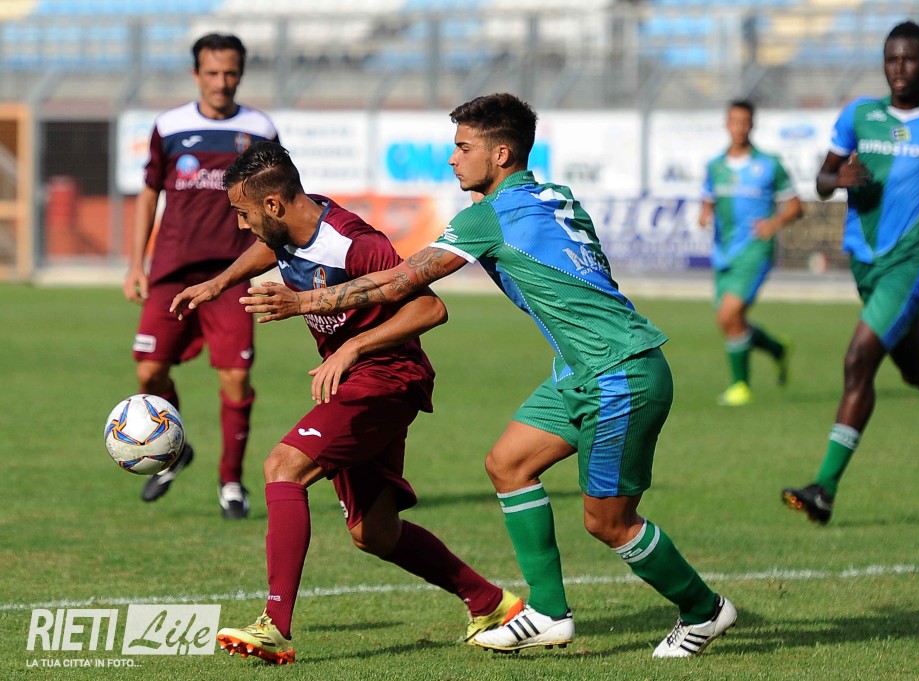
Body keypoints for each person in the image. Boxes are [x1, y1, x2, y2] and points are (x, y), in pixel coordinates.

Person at [226, 93, 737, 658]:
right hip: (581, 369)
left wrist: (302, 303)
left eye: (463, 147)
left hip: (618, 372)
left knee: (609, 523)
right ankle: (548, 613)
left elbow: (402, 283)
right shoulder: (555, 197)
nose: (453, 159)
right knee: (508, 464)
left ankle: (703, 610)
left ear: (500, 154)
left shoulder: (487, 217)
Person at [169, 141, 523, 665]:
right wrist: (219, 282)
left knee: (282, 467)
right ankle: (492, 605)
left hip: (386, 378)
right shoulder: (290, 224)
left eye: (243, 213)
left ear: (272, 205)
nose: (241, 225)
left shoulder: (356, 244)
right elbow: (274, 248)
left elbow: (430, 309)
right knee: (373, 533)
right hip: (354, 382)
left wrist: (353, 347)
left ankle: (274, 626)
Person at [781, 21, 919, 525]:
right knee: (916, 369)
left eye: (909, 59)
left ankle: (824, 489)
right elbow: (821, 180)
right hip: (866, 262)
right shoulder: (860, 115)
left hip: (915, 261)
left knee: (858, 359)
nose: (899, 68)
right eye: (891, 59)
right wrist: (838, 177)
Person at [122, 33, 279, 519]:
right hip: (172, 271)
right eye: (212, 73)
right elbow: (149, 192)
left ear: (241, 74)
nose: (221, 82)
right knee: (148, 372)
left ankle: (230, 481)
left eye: (230, 73)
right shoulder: (169, 126)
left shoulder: (259, 129)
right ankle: (175, 448)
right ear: (196, 75)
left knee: (235, 376)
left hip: (230, 274)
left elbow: (276, 200)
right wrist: (136, 264)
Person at [698, 100, 803, 406]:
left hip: (756, 249)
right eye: (734, 121)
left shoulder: (770, 164)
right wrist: (704, 214)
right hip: (724, 252)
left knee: (728, 315)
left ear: (752, 125)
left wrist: (774, 223)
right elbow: (707, 201)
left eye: (745, 122)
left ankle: (741, 386)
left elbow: (796, 206)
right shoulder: (715, 166)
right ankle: (777, 349)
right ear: (726, 124)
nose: (739, 127)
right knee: (732, 322)